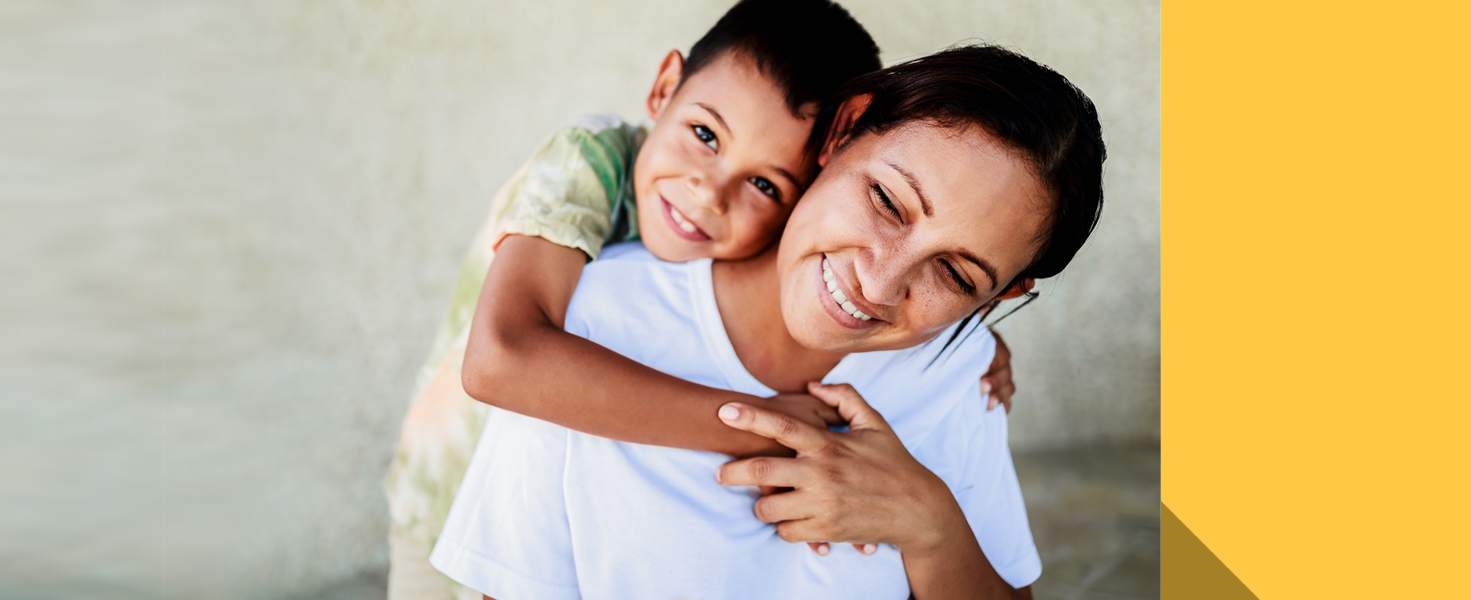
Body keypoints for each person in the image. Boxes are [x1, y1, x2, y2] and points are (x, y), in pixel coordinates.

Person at [380, 3, 1027, 598]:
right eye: (706, 134)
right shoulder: (587, 162)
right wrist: (764, 423)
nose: (709, 192)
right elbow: (502, 362)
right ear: (663, 89)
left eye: (766, 186)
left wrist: (972, 334)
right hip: (448, 485)